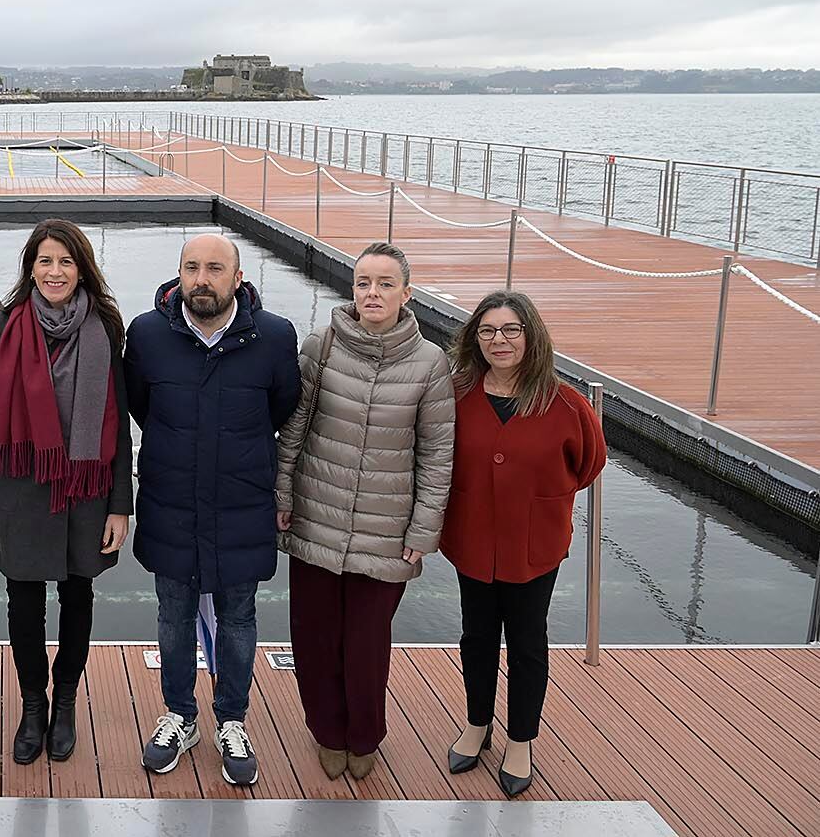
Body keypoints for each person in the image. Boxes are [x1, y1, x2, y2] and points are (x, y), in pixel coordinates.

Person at [126, 233, 300, 787]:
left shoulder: (273, 337)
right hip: (171, 501)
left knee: (240, 617)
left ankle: (232, 718)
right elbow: (140, 406)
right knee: (173, 617)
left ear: (238, 277)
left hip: (242, 503)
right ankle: (179, 714)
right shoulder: (147, 335)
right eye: (192, 268)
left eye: (215, 269)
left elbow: (283, 403)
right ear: (178, 274)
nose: (202, 280)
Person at [276, 242, 454, 782]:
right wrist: (282, 494)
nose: (371, 293)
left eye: (383, 284)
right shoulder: (321, 346)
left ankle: (364, 735)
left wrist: (424, 529)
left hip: (386, 530)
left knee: (367, 643)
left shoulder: (430, 364)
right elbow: (293, 431)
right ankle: (327, 731)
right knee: (312, 635)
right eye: (362, 283)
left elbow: (438, 453)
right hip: (316, 515)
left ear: (407, 293)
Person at [0, 219, 133, 765]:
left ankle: (65, 704)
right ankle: (33, 705)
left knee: (78, 599)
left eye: (65, 261)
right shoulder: (5, 324)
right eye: (45, 261)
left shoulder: (107, 326)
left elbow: (120, 421)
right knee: (24, 603)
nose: (55, 272)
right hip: (19, 488)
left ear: (81, 267)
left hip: (87, 491)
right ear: (30, 268)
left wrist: (119, 505)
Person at [441, 291, 606, 797]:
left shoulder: (564, 402)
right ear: (475, 339)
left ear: (531, 335)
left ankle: (521, 739)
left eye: (511, 329)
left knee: (528, 640)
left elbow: (589, 463)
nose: (499, 340)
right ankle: (476, 724)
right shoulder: (456, 393)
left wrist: (535, 497)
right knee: (477, 634)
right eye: (487, 331)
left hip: (534, 543)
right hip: (472, 537)